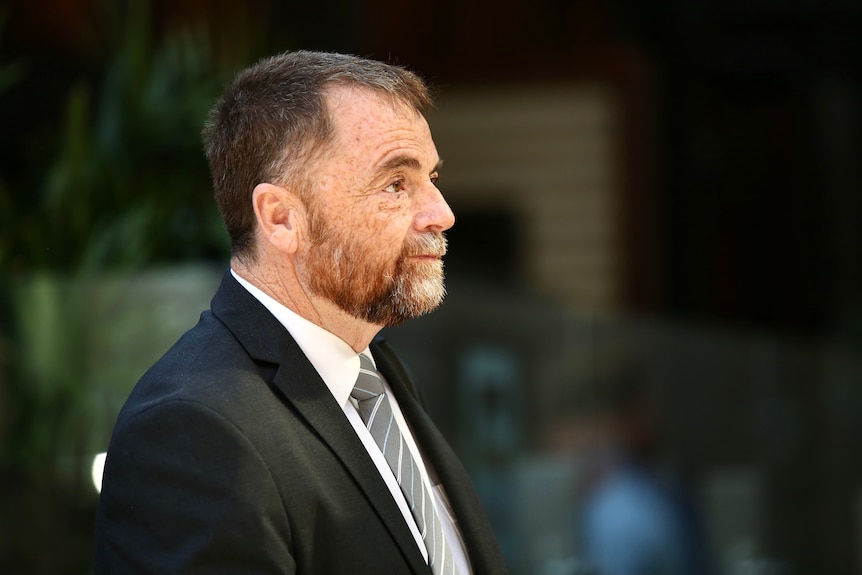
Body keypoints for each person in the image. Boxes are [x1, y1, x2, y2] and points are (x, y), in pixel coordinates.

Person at [93, 50, 509, 575]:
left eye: (431, 177)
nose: (441, 212)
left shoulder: (376, 373)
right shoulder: (189, 428)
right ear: (282, 218)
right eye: (396, 183)